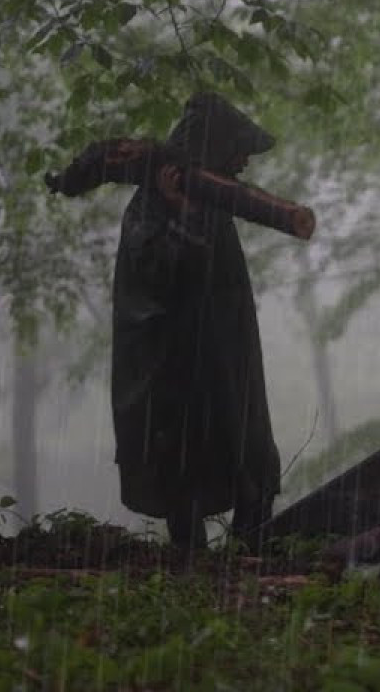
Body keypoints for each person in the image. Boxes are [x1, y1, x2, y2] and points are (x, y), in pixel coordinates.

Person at [110, 91, 282, 554]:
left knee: (254, 461)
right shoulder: (149, 206)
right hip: (178, 370)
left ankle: (252, 554)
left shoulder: (215, 202)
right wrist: (181, 214)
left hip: (226, 360)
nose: (244, 162)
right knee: (182, 469)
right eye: (237, 150)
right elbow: (154, 275)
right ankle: (194, 566)